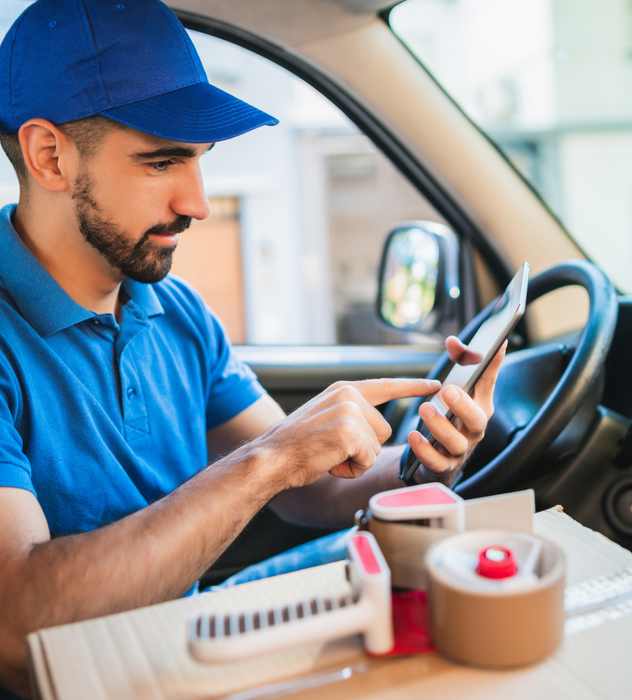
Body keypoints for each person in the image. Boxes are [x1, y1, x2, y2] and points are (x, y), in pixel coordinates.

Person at [0, 1, 505, 697]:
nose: (198, 202)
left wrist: (416, 466)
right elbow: (19, 632)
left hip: (185, 656)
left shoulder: (177, 313)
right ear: (49, 156)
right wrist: (270, 460)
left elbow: (311, 486)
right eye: (162, 160)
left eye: (201, 162)